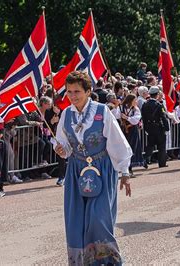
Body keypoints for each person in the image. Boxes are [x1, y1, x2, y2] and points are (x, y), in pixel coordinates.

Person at [53, 71, 132, 265]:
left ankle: (106, 261)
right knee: (75, 219)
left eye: (77, 91)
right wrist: (61, 149)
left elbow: (117, 142)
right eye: (69, 91)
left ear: (88, 91)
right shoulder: (66, 113)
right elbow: (65, 144)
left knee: (99, 218)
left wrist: (124, 172)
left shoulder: (101, 111)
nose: (72, 96)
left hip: (102, 167)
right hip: (76, 169)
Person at [141, 86, 170, 168]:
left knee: (150, 145)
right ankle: (162, 163)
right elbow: (163, 117)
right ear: (157, 95)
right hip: (159, 127)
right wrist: (166, 127)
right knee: (161, 146)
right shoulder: (159, 105)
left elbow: (144, 117)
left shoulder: (145, 104)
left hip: (150, 127)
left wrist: (146, 128)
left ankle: (144, 159)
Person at [120, 94, 144, 176]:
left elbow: (136, 120)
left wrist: (127, 118)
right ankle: (125, 168)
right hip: (123, 130)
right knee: (124, 148)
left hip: (132, 130)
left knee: (132, 148)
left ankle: (130, 168)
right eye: (135, 100)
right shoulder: (122, 107)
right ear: (131, 101)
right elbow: (116, 114)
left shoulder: (136, 109)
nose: (136, 102)